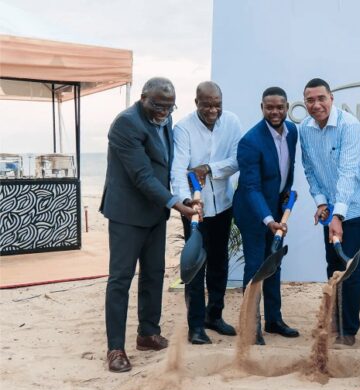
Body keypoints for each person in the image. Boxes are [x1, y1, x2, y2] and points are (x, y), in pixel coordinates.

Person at [100, 77, 201, 373]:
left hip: (155, 213)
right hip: (127, 214)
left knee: (154, 274)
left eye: (170, 107)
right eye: (158, 105)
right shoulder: (126, 124)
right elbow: (142, 175)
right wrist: (176, 204)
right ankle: (115, 348)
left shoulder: (165, 120)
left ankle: (147, 333)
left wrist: (183, 195)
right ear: (143, 97)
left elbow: (167, 165)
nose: (164, 112)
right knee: (121, 280)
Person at [299, 78, 360, 346]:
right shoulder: (305, 128)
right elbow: (309, 168)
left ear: (331, 98)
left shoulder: (350, 126)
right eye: (310, 100)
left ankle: (348, 330)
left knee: (350, 267)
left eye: (321, 98)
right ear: (305, 103)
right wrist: (322, 203)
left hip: (355, 206)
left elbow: (347, 173)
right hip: (331, 207)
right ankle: (336, 319)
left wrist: (338, 216)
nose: (316, 104)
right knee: (333, 265)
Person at [171, 81, 243, 345]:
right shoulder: (183, 128)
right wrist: (187, 202)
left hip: (222, 204)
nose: (213, 110)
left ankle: (215, 316)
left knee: (219, 263)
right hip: (194, 208)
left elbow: (237, 160)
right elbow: (178, 170)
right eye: (207, 105)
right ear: (196, 103)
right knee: (195, 266)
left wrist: (209, 168)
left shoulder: (232, 122)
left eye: (217, 105)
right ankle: (196, 326)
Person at [233, 87, 300, 345]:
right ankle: (251, 326)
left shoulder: (292, 131)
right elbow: (251, 187)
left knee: (274, 264)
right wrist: (268, 219)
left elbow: (287, 168)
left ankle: (274, 320)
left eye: (279, 107)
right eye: (269, 107)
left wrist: (286, 193)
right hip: (253, 213)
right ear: (262, 108)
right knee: (255, 268)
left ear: (287, 108)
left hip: (277, 211)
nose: (275, 112)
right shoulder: (250, 141)